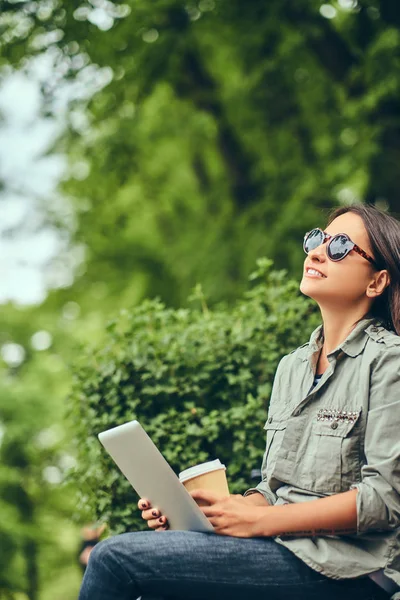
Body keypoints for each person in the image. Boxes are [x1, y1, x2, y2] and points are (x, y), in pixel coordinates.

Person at [79, 203, 400, 600]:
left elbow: (384, 501)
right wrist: (218, 510)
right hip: (280, 550)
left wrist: (261, 521)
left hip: (349, 572)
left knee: (113, 558)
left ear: (377, 282)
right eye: (318, 239)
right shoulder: (292, 367)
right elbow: (274, 488)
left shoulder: (389, 363)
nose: (317, 252)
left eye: (340, 247)